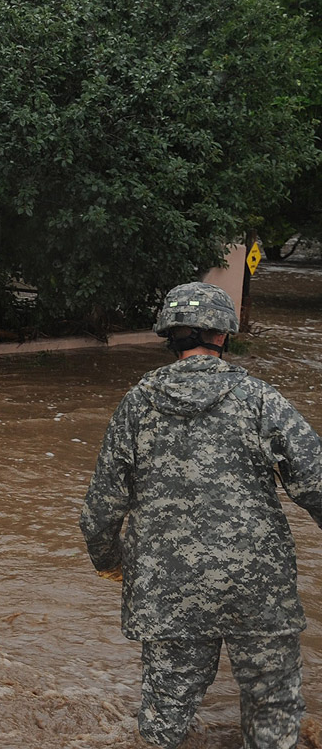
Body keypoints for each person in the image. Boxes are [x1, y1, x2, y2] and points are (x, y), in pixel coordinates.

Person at [80, 281, 322, 749]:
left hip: (167, 589)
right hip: (258, 585)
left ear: (170, 336)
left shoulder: (136, 405)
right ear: (223, 335)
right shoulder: (258, 399)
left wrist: (110, 563)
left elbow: (100, 509)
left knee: (164, 718)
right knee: (272, 707)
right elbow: (315, 482)